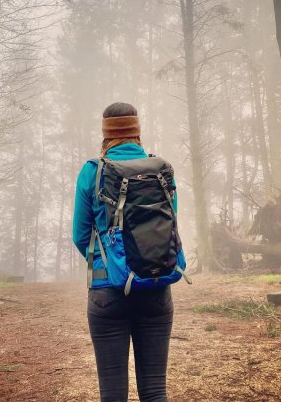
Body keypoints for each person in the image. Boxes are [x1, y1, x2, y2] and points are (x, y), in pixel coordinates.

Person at [73, 102, 174, 402]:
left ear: (106, 134)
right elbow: (170, 227)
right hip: (156, 287)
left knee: (113, 393)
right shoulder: (162, 170)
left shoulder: (93, 171)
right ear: (137, 131)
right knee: (155, 391)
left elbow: (80, 236)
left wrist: (113, 264)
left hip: (108, 295)